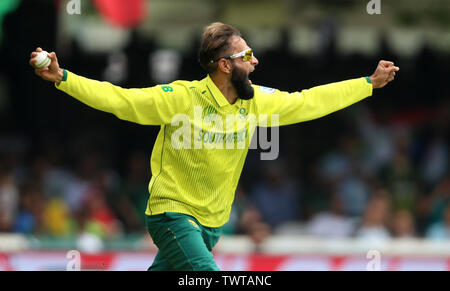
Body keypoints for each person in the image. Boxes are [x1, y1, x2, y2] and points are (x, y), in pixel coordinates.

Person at [30, 22, 399, 270]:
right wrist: (63, 77)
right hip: (172, 215)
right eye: (246, 56)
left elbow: (308, 101)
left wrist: (367, 82)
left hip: (211, 226)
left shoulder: (255, 101)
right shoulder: (181, 98)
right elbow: (120, 100)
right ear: (224, 65)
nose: (254, 61)